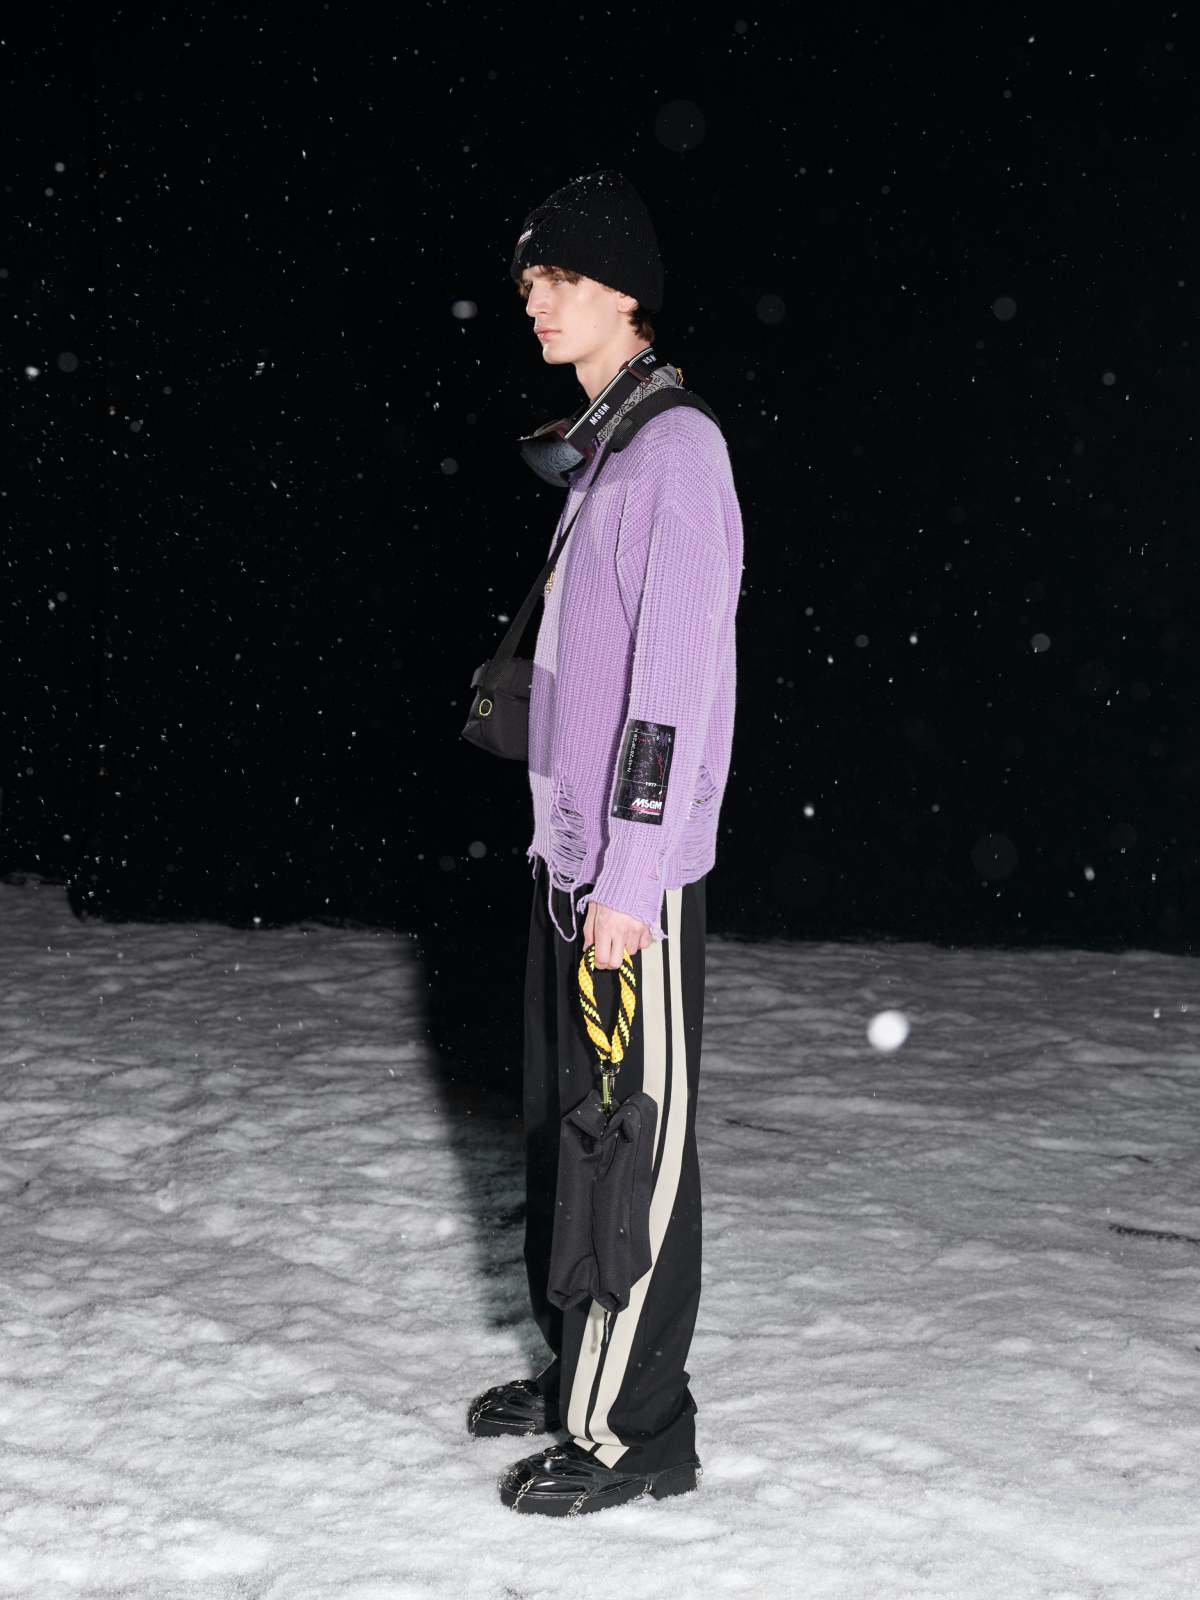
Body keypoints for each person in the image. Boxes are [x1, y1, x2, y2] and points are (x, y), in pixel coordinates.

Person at [467, 169, 745, 1516]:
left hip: (630, 879)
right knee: (564, 1128)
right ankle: (579, 1359)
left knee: (626, 1145)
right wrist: (571, 855)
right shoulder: (608, 451)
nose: (538, 300)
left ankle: (637, 1430)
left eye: (563, 278)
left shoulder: (676, 452)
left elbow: (670, 692)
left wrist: (632, 877)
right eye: (529, 281)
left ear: (628, 293)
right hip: (567, 861)